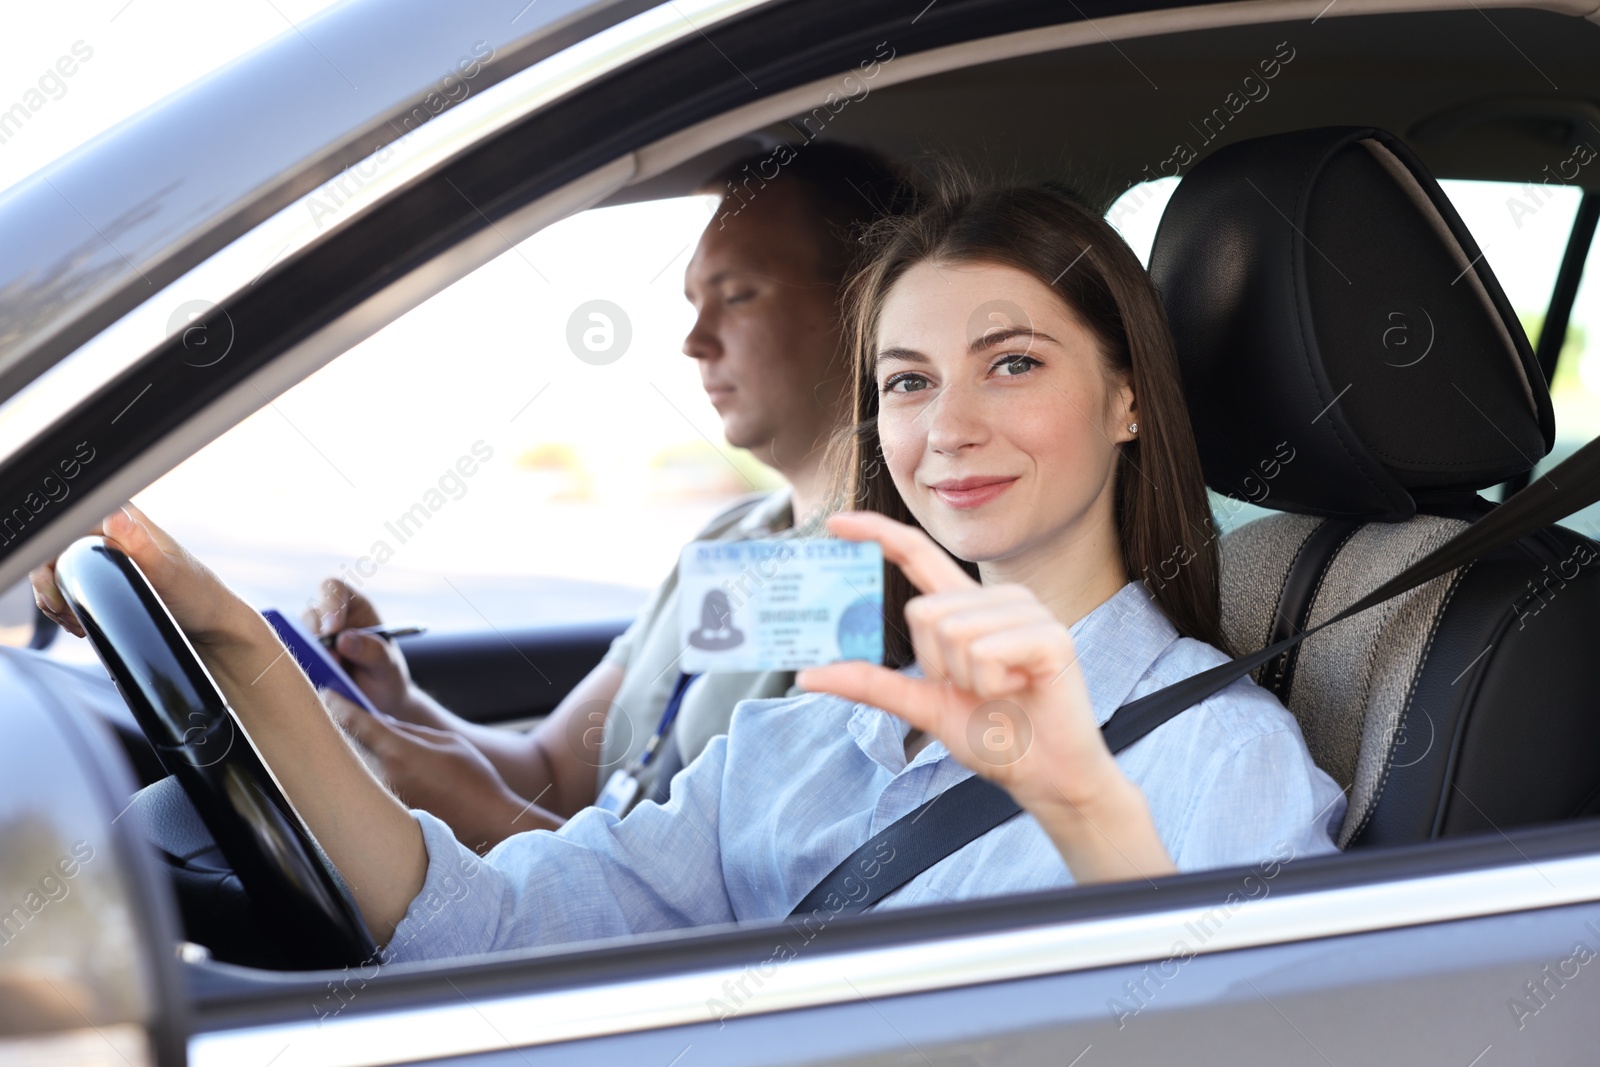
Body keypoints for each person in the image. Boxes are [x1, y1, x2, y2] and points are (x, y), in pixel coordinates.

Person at [30, 175, 1345, 960]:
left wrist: (1090, 816)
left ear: (1125, 397)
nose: (946, 425)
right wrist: (265, 669)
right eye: (909, 379)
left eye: (1012, 361)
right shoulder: (783, 666)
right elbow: (538, 815)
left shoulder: (1211, 757)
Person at [302, 143, 918, 852]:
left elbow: (742, 910)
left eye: (738, 294)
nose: (694, 340)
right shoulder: (732, 539)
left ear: (866, 300)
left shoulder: (879, 573)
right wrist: (395, 702)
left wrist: (484, 819)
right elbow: (557, 773)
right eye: (694, 302)